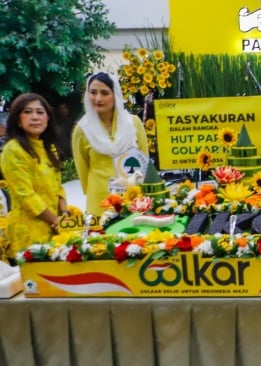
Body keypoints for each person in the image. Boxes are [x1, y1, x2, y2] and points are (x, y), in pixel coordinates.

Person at [0, 93, 68, 258]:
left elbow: (57, 186)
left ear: (48, 118)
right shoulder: (13, 150)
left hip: (56, 230)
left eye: (40, 112)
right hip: (28, 235)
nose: (35, 117)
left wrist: (64, 215)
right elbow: (26, 196)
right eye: (28, 112)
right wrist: (55, 220)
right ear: (18, 119)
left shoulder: (49, 148)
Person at [72, 72, 149, 217]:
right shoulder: (82, 129)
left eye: (105, 93)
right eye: (93, 92)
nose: (98, 98)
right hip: (99, 201)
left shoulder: (133, 123)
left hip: (132, 197)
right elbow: (82, 169)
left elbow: (144, 162)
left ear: (116, 95)